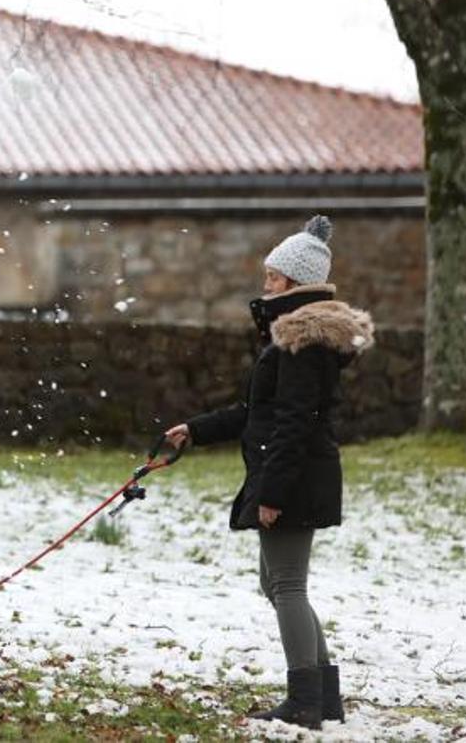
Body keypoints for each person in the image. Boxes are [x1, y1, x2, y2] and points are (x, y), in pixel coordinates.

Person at [164, 215, 373, 729]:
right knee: (278, 582)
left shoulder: (301, 344)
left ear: (297, 285)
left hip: (295, 477)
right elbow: (258, 411)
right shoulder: (290, 341)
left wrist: (274, 492)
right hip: (295, 474)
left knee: (286, 584)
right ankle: (323, 696)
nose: (266, 285)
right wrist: (195, 429)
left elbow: (295, 424)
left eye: (274, 277)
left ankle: (306, 701)